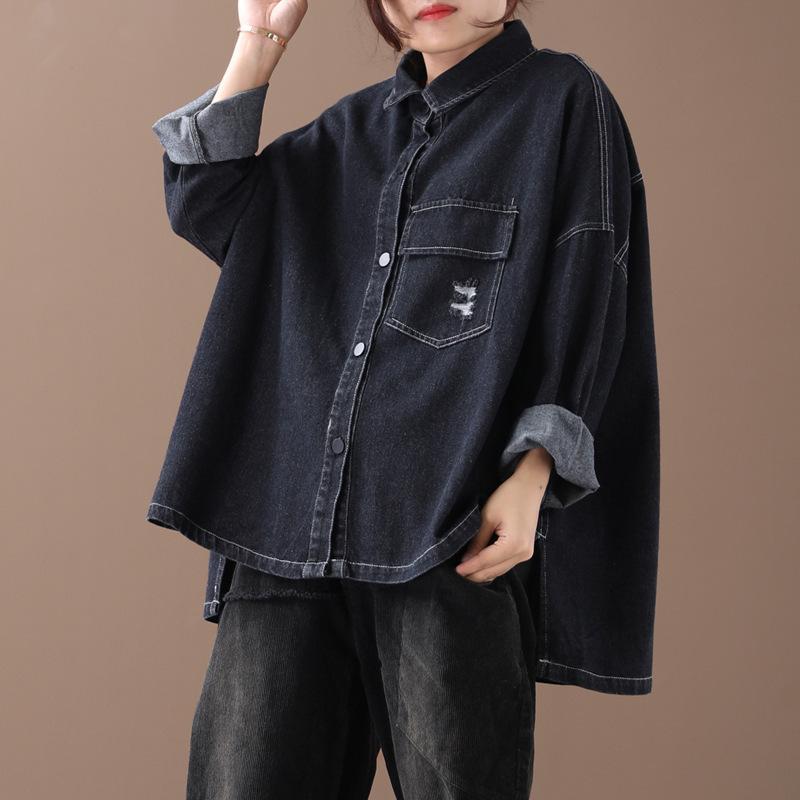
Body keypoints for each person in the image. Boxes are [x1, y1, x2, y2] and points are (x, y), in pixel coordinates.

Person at [145, 1, 661, 798]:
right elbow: (208, 204)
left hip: (444, 532)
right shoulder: (346, 134)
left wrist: (534, 474)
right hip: (287, 535)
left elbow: (588, 287)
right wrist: (259, 40)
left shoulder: (562, 101)